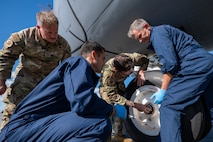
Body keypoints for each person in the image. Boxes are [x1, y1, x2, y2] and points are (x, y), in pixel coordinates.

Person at [0, 41, 127, 141]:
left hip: (30, 129)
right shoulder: (78, 63)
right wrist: (111, 109)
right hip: (21, 130)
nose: (104, 63)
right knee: (99, 123)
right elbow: (82, 102)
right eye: (103, 58)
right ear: (93, 55)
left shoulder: (78, 75)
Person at [127, 18, 213, 142]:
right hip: (207, 63)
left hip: (194, 67)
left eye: (140, 36)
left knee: (168, 107)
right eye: (138, 39)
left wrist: (163, 90)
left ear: (146, 26)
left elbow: (170, 65)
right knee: (208, 107)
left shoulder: (158, 35)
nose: (140, 41)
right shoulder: (164, 31)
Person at [0, 10, 72, 130]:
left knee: (42, 124)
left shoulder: (63, 45)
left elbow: (67, 70)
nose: (54, 36)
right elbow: (6, 56)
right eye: (49, 32)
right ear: (39, 27)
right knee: (11, 117)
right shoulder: (23, 36)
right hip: (22, 87)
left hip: (46, 91)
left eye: (56, 32)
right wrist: (1, 79)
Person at [99, 53, 152, 142]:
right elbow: (112, 95)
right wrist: (134, 105)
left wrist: (141, 71)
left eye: (131, 72)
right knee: (108, 111)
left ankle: (118, 134)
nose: (129, 75)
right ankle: (106, 139)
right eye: (126, 74)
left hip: (119, 83)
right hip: (108, 89)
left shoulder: (131, 59)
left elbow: (145, 59)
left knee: (126, 103)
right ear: (117, 70)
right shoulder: (108, 74)